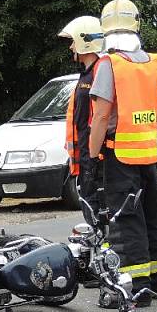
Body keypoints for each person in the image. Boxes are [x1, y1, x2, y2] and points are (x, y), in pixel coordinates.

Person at [88, 0, 157, 307]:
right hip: (148, 153)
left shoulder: (110, 64)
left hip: (119, 154)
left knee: (127, 222)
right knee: (153, 216)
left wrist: (91, 154)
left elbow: (100, 116)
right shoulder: (152, 64)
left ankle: (138, 287)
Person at [57, 15, 104, 221]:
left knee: (97, 214)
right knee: (90, 211)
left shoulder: (99, 72)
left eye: (73, 42)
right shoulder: (86, 75)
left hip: (95, 160)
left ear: (84, 42)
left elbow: (100, 118)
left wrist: (93, 160)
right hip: (85, 158)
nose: (71, 48)